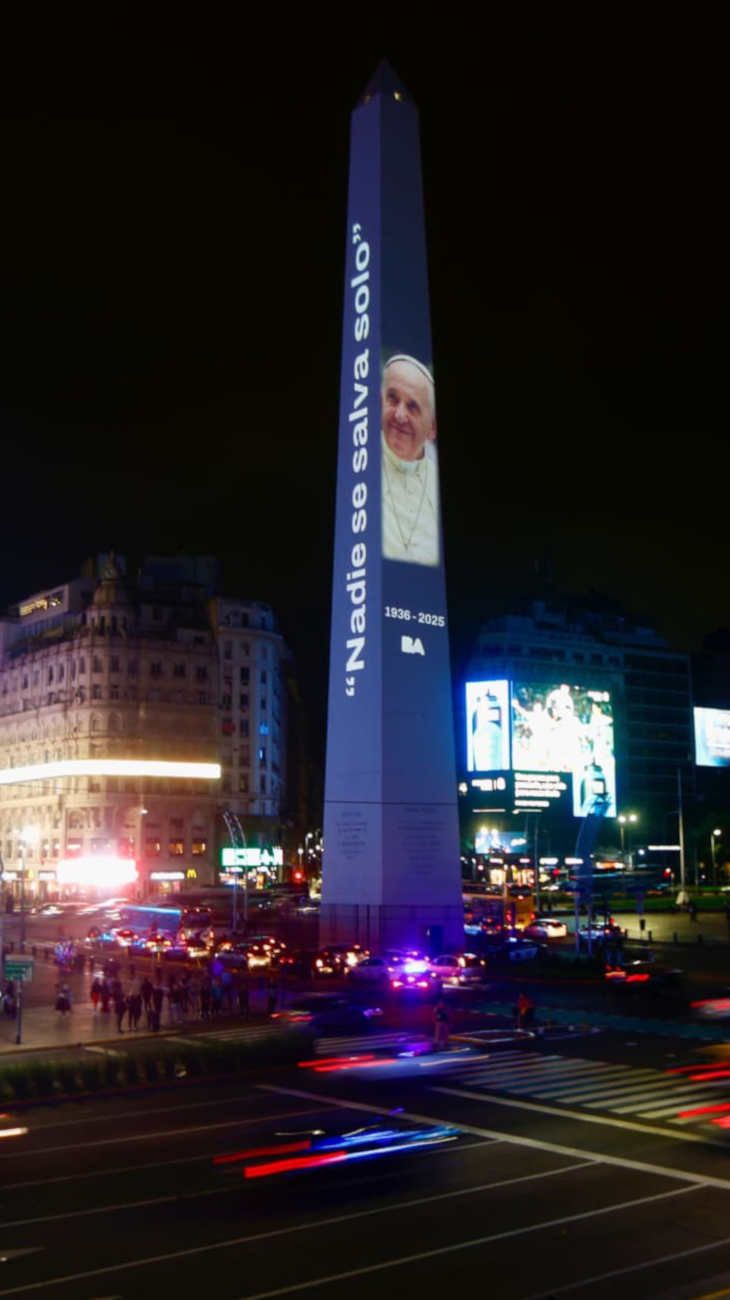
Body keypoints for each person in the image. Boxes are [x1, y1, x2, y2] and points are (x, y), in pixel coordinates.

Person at [381, 354, 439, 566]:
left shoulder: (436, 484)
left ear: (432, 428)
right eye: (393, 399)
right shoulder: (361, 466)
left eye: (413, 406)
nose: (399, 415)